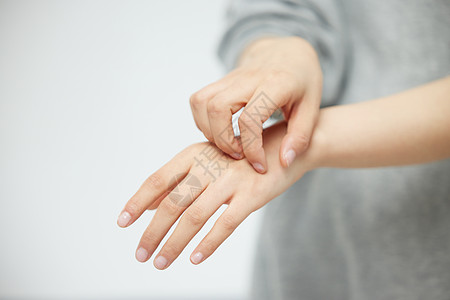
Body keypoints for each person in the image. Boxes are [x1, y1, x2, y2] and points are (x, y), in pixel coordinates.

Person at [118, 0, 450, 299]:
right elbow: (274, 11)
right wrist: (277, 54)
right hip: (303, 266)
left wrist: (304, 144)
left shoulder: (292, 150)